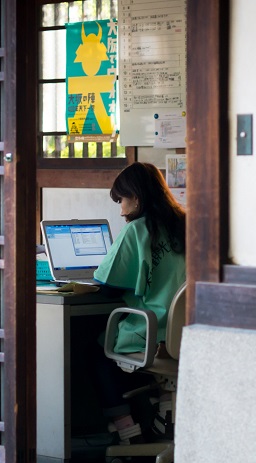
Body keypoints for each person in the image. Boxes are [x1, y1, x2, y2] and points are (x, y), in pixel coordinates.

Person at [90, 161, 187, 444]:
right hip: (187, 335)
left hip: (151, 333)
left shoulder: (137, 231)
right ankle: (165, 407)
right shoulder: (188, 224)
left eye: (122, 199)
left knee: (95, 349)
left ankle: (127, 429)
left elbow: (108, 287)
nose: (121, 209)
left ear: (136, 197)